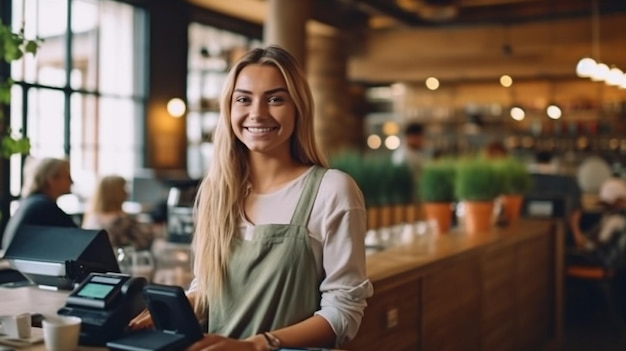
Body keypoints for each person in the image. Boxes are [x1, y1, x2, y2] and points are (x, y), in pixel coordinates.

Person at [129, 45, 373, 350]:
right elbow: (208, 289)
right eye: (243, 99)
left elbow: (344, 311)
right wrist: (173, 308)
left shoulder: (332, 190)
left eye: (275, 99)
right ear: (229, 109)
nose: (257, 113)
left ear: (298, 107)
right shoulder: (216, 194)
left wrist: (257, 345)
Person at [1, 157, 77, 249]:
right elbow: (77, 239)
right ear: (51, 179)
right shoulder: (43, 207)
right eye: (67, 176)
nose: (72, 181)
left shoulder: (31, 203)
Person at [82, 175, 153, 251]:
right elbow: (144, 244)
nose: (127, 192)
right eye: (124, 188)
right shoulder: (124, 222)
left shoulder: (91, 219)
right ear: (116, 193)